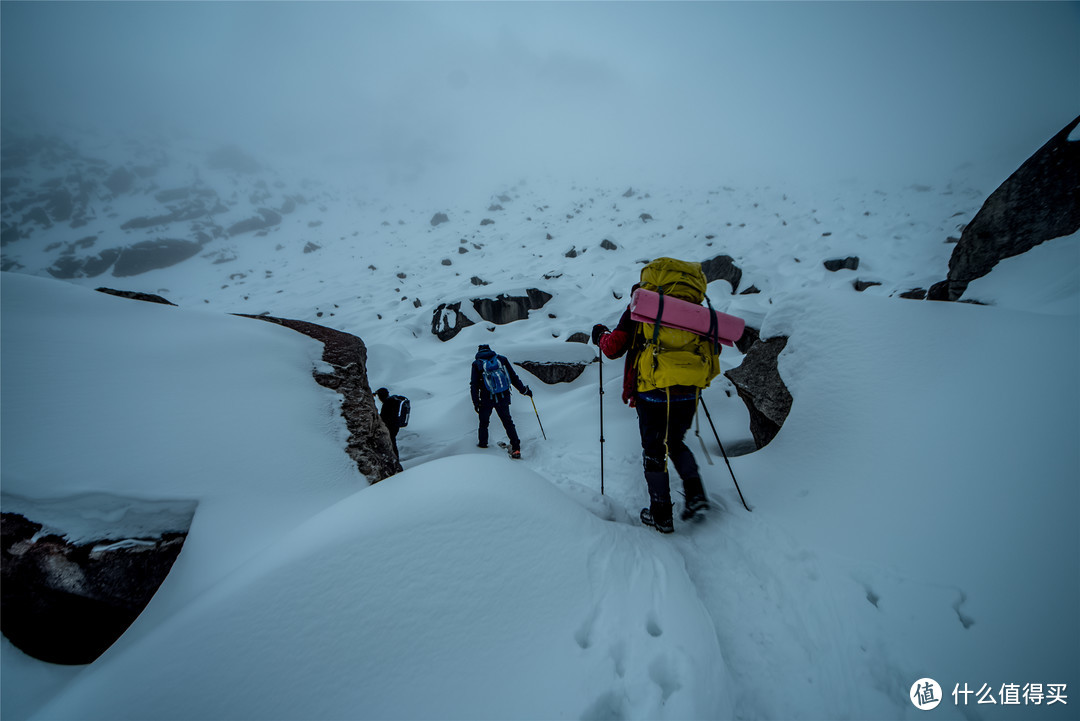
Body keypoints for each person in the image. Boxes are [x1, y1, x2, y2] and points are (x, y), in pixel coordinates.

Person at [592, 284, 713, 534]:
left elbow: (613, 348)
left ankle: (661, 516)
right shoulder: (689, 309)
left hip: (653, 393)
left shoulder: (638, 307)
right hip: (689, 390)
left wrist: (600, 335)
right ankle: (696, 495)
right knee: (676, 442)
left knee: (654, 450)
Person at [470, 344, 532, 459]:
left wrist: (476, 402)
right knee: (508, 422)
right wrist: (524, 390)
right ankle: (516, 448)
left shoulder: (477, 364)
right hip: (503, 396)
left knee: (484, 423)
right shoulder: (501, 359)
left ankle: (483, 446)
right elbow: (513, 377)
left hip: (486, 399)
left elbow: (474, 385)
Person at [375, 387, 404, 460]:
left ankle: (395, 459)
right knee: (393, 442)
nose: (379, 398)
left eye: (379, 396)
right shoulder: (394, 400)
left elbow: (383, 417)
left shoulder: (387, 403)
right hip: (395, 426)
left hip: (390, 426)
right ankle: (396, 459)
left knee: (391, 443)